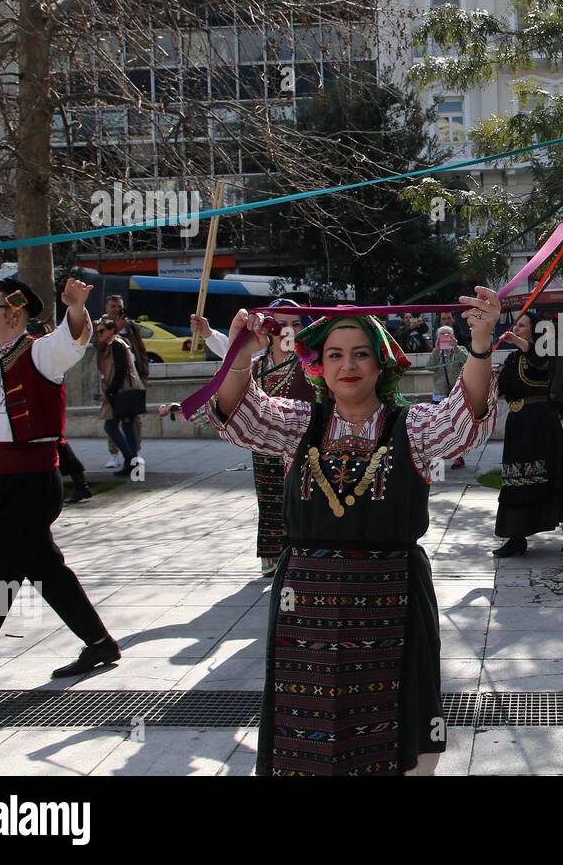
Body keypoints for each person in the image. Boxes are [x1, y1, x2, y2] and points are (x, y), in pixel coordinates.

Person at [205, 287, 501, 774]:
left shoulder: (412, 426)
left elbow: (463, 419)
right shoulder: (300, 423)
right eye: (336, 354)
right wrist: (240, 356)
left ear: (382, 364)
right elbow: (241, 418)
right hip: (307, 606)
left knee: (399, 732)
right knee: (307, 732)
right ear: (319, 365)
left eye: (361, 354)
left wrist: (481, 343)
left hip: (393, 597)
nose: (349, 365)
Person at [0, 277, 121, 714]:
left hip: (34, 485)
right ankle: (100, 643)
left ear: (14, 313)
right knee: (46, 569)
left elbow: (72, 338)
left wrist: (76, 306)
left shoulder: (39, 352)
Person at [197, 299, 315, 576]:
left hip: (300, 443)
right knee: (269, 497)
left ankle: (300, 551)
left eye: (296, 324)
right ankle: (271, 553)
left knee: (300, 496)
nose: (289, 330)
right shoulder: (256, 364)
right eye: (282, 324)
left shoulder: (312, 364)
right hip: (264, 444)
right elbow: (231, 360)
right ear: (270, 328)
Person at [492, 310, 563, 557]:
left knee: (551, 475)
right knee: (517, 478)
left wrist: (516, 341)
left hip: (540, 423)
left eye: (522, 325)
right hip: (519, 424)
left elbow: (537, 360)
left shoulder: (542, 352)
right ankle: (517, 538)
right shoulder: (514, 358)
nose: (516, 328)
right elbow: (501, 388)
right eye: (516, 325)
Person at [92, 317, 143, 477]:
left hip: (123, 393)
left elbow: (120, 371)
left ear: (112, 330)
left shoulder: (116, 345)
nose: (99, 334)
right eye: (98, 331)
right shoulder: (119, 343)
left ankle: (130, 459)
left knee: (110, 427)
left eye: (102, 331)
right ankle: (133, 467)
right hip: (127, 391)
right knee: (127, 428)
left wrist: (109, 393)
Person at [102, 295, 147, 467]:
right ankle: (116, 454)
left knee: (133, 420)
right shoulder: (102, 326)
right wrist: (115, 330)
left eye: (119, 306)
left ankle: (134, 454)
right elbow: (99, 347)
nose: (116, 309)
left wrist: (144, 375)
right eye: (113, 306)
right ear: (107, 307)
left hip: (132, 380)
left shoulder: (131, 327)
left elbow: (140, 350)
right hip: (112, 378)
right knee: (112, 419)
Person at [429, 325, 467, 469]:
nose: (445, 337)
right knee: (436, 428)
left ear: (453, 336)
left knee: (456, 427)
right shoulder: (437, 353)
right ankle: (437, 457)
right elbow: (430, 367)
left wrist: (456, 347)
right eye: (442, 335)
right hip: (439, 394)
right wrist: (436, 350)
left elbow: (468, 361)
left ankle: (458, 457)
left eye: (448, 334)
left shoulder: (460, 349)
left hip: (455, 394)